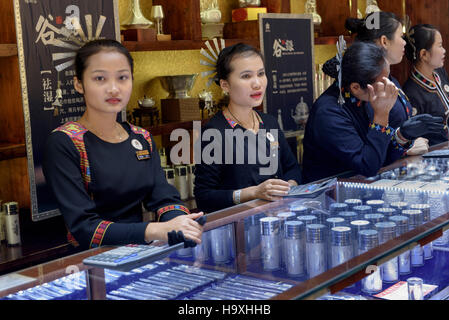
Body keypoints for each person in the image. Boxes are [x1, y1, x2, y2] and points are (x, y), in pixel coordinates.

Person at [43, 39, 204, 250]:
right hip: (92, 263)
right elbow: (84, 228)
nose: (113, 88)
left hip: (141, 253)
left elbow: (163, 197)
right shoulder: (65, 142)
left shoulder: (141, 137)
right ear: (79, 84)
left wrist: (182, 223)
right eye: (100, 78)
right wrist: (155, 230)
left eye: (122, 78)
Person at [302, 42, 443, 184]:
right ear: (356, 87)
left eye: (389, 77)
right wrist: (381, 115)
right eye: (384, 82)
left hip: (360, 187)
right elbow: (368, 165)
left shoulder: (364, 97)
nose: (391, 86)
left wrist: (402, 136)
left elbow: (381, 157)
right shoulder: (329, 113)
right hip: (327, 193)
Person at [194, 43, 302, 213]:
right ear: (225, 85)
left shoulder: (269, 122)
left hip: (279, 218)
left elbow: (292, 168)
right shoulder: (214, 132)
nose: (257, 83)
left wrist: (287, 186)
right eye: (246, 76)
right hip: (239, 227)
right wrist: (254, 192)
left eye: (261, 74)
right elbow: (204, 197)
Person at [324, 12, 412, 129]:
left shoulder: (388, 78)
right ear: (384, 41)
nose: (405, 42)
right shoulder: (366, 87)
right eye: (401, 36)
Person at [403, 24, 449, 145]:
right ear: (424, 54)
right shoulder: (411, 92)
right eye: (439, 46)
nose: (444, 51)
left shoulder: (440, 72)